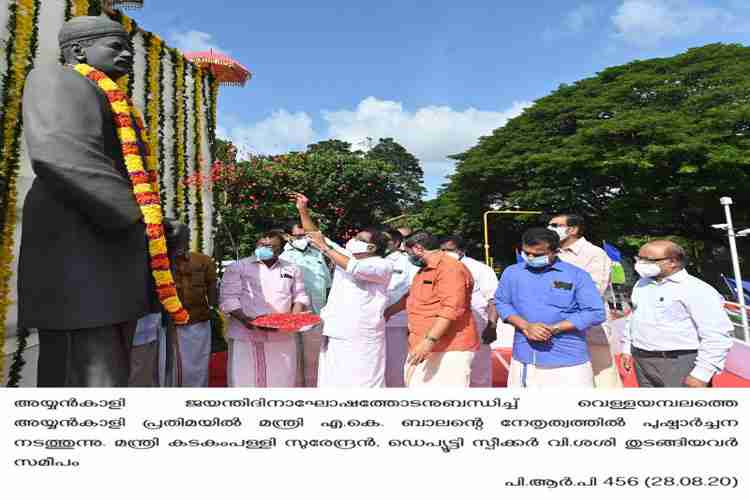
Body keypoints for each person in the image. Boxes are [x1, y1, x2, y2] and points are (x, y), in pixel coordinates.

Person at [18, 16, 181, 386]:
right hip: (79, 257)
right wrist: (142, 222)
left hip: (105, 255)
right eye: (116, 46)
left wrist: (158, 224)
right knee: (90, 378)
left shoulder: (110, 96)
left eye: (129, 47)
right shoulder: (58, 78)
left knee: (108, 373)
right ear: (78, 50)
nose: (127, 55)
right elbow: (62, 154)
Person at [291, 192, 393, 388]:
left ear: (371, 247)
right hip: (336, 330)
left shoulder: (381, 265)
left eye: (358, 237)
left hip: (361, 335)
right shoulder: (346, 256)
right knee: (333, 380)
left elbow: (352, 267)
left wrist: (325, 248)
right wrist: (303, 211)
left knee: (363, 383)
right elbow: (316, 237)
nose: (353, 239)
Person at [495, 228, 606, 388]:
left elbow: (595, 312)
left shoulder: (576, 275)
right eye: (526, 253)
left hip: (569, 361)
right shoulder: (512, 273)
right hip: (525, 357)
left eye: (538, 254)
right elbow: (502, 302)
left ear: (556, 251)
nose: (531, 257)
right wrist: (525, 326)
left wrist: (555, 328)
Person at [621, 240, 734, 388]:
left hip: (680, 362)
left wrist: (701, 374)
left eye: (648, 260)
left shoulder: (697, 289)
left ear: (673, 262)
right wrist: (627, 348)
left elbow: (717, 335)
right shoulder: (641, 284)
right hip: (642, 361)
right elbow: (634, 318)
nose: (640, 263)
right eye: (639, 258)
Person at [386, 231, 479, 387]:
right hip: (422, 343)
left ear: (418, 248)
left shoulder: (450, 268)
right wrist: (386, 313)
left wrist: (429, 341)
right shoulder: (424, 270)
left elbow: (451, 309)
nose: (407, 256)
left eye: (407, 252)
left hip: (449, 348)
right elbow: (410, 298)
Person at [220, 230, 310, 387]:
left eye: (271, 246)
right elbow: (228, 299)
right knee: (246, 379)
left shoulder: (292, 269)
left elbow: (300, 296)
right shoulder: (239, 267)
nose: (266, 248)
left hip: (282, 335)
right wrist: (246, 320)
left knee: (282, 378)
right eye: (262, 244)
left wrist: (293, 319)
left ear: (281, 250)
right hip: (246, 334)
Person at [548, 214, 621, 388]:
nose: (549, 228)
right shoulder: (552, 253)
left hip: (590, 327)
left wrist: (553, 286)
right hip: (557, 326)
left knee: (602, 377)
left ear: (573, 229)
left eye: (555, 225)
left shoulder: (594, 254)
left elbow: (592, 291)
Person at [440, 235, 499, 387]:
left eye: (450, 250)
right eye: (442, 250)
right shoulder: (435, 267)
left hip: (476, 324)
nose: (446, 253)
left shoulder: (480, 269)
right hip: (444, 325)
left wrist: (492, 327)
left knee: (478, 371)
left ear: (462, 250)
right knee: (449, 371)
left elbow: (493, 299)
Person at [280, 222, 332, 387]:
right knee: (292, 358)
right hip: (292, 314)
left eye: (306, 236)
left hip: (317, 315)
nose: (303, 240)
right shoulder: (282, 258)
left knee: (316, 358)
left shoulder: (318, 255)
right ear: (288, 237)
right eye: (299, 236)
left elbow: (328, 284)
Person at [172, 230, 218, 387]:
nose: (179, 242)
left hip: (198, 321)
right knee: (172, 367)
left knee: (199, 364)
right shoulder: (160, 261)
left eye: (182, 238)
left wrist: (212, 308)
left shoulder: (203, 260)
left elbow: (212, 285)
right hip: (170, 325)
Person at [383, 229, 420, 387]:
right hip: (375, 322)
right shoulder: (375, 260)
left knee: (396, 367)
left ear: (396, 243)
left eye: (385, 240)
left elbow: (414, 291)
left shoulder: (408, 262)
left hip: (398, 322)